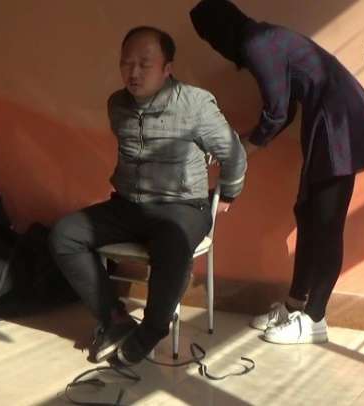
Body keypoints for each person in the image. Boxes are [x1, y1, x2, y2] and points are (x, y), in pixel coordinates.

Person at [190, 0, 364, 344]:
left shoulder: (257, 44)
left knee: (326, 223)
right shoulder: (263, 39)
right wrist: (243, 143)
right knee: (308, 213)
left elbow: (276, 113)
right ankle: (295, 304)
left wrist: (242, 151)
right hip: (326, 120)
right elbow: (283, 112)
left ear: (220, 31)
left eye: (210, 38)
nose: (214, 48)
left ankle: (315, 319)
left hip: (339, 122)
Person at [49, 26, 247, 365]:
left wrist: (228, 193)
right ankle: (115, 319)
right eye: (127, 63)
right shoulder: (117, 105)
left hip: (182, 206)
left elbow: (233, 154)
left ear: (167, 68)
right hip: (129, 205)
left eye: (144, 64)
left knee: (172, 244)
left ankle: (153, 329)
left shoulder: (195, 104)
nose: (134, 72)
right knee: (64, 235)